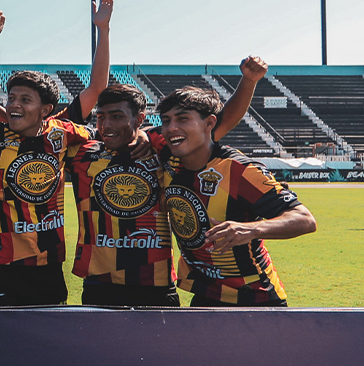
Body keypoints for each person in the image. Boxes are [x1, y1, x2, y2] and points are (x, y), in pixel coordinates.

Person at [65, 55, 264, 306]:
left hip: (155, 283)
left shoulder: (164, 146)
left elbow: (218, 125)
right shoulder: (81, 151)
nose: (106, 125)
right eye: (101, 117)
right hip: (99, 280)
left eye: (116, 116)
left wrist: (248, 81)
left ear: (139, 119)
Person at [0, 0, 113, 305]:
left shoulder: (62, 132)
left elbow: (95, 90)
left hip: (48, 262)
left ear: (46, 109)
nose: (14, 104)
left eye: (25, 99)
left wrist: (103, 30)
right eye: (11, 98)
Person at [157, 86, 316, 306]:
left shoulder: (239, 170)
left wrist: (251, 229)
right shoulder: (166, 157)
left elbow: (305, 220)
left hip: (255, 298)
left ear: (210, 123)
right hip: (205, 295)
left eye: (182, 119)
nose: (171, 128)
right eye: (166, 121)